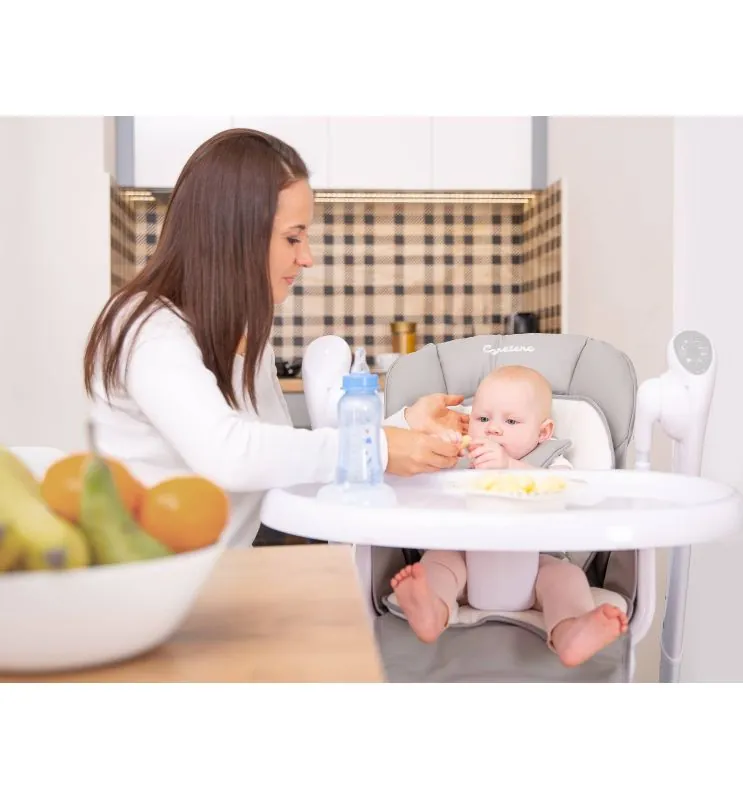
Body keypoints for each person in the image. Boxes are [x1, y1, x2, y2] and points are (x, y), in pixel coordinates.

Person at [83, 128, 465, 549]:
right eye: (292, 238)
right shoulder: (148, 327)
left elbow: (279, 460)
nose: (307, 257)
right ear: (235, 233)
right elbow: (229, 454)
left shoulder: (244, 335)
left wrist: (404, 429)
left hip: (217, 573)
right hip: (152, 577)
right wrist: (379, 447)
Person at [390, 365, 629, 667]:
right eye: (482, 419)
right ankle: (430, 611)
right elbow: (420, 492)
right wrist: (441, 459)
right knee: (437, 563)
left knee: (567, 578)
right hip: (465, 558)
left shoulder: (551, 463)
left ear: (543, 432)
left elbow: (572, 494)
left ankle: (570, 632)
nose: (493, 429)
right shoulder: (459, 458)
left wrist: (509, 467)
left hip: (536, 565)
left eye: (511, 421)